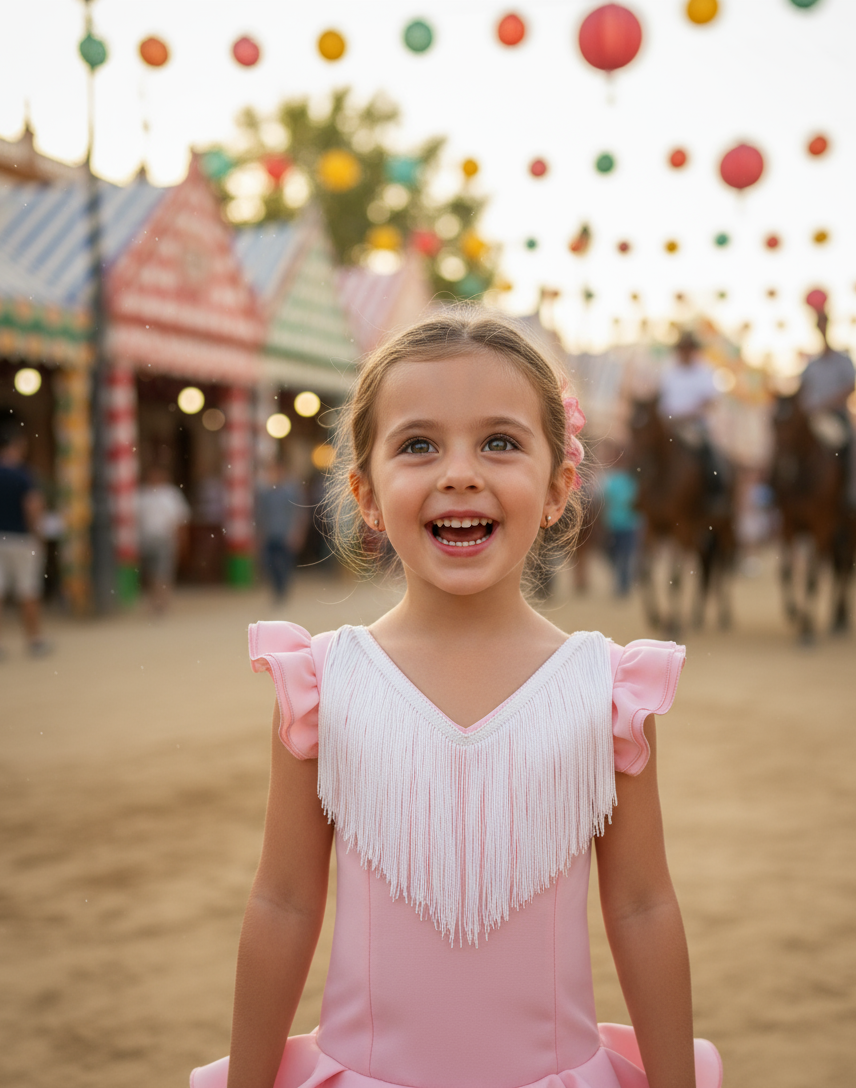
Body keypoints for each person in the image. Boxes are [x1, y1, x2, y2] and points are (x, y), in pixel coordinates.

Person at [191, 312, 722, 1088]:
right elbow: (282, 902)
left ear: (557, 487)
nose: (460, 473)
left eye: (500, 442)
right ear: (366, 495)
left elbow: (642, 905)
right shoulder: (319, 685)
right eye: (418, 445)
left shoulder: (608, 691)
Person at [0, 423, 48, 660]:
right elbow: (32, 507)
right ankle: (34, 639)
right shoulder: (23, 475)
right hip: (20, 538)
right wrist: (37, 534)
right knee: (28, 590)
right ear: (16, 444)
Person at [798, 309, 856, 507]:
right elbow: (801, 391)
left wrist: (827, 403)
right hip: (813, 418)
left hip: (836, 416)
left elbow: (851, 387)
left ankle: (851, 494)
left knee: (851, 449)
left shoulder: (842, 360)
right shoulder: (811, 365)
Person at [658, 331, 726, 505]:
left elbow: (711, 401)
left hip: (695, 427)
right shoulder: (669, 372)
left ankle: (715, 496)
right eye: (683, 348)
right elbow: (661, 400)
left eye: (689, 348)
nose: (685, 352)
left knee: (709, 456)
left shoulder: (704, 371)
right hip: (670, 428)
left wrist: (689, 415)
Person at [136, 464, 190, 613]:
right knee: (151, 572)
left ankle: (162, 601)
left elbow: (180, 519)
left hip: (165, 538)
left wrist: (182, 539)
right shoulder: (142, 496)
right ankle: (154, 600)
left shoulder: (170, 495)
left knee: (163, 571)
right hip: (146, 538)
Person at [256, 461, 306, 603]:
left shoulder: (290, 491)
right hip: (270, 533)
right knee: (270, 564)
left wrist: (296, 532)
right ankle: (276, 590)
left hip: (285, 533)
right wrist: (260, 533)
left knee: (284, 564)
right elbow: (261, 515)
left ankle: (283, 591)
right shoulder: (265, 493)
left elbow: (298, 513)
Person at [600, 442, 639, 597]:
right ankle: (622, 581)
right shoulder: (611, 478)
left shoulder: (632, 479)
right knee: (614, 555)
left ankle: (623, 586)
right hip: (613, 524)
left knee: (626, 556)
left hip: (629, 525)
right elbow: (605, 501)